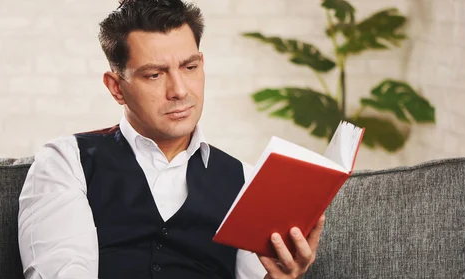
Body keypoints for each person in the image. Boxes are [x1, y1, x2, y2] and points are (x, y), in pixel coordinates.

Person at [17, 0, 326, 278]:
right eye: (155, 74)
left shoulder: (246, 183)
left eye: (190, 67)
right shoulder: (67, 162)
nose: (179, 90)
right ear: (116, 87)